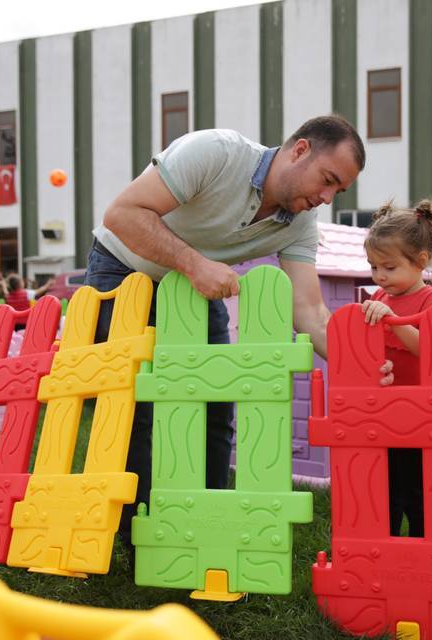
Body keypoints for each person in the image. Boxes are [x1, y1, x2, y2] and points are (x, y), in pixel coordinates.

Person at [85, 115, 393, 539]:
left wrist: (357, 362)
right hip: (125, 268)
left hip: (195, 286)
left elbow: (308, 309)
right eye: (327, 180)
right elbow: (121, 214)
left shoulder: (300, 224)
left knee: (216, 404)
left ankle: (203, 523)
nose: (325, 197)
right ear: (299, 150)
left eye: (337, 191)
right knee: (136, 409)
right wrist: (193, 263)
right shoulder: (215, 153)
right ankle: (139, 531)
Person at [360, 199, 432, 537]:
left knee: (418, 487)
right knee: (388, 486)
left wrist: (394, 322)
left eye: (389, 267)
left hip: (424, 415)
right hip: (385, 413)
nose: (379, 276)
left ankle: (424, 541)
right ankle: (389, 543)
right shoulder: (381, 300)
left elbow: (431, 351)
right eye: (373, 267)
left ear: (420, 262)